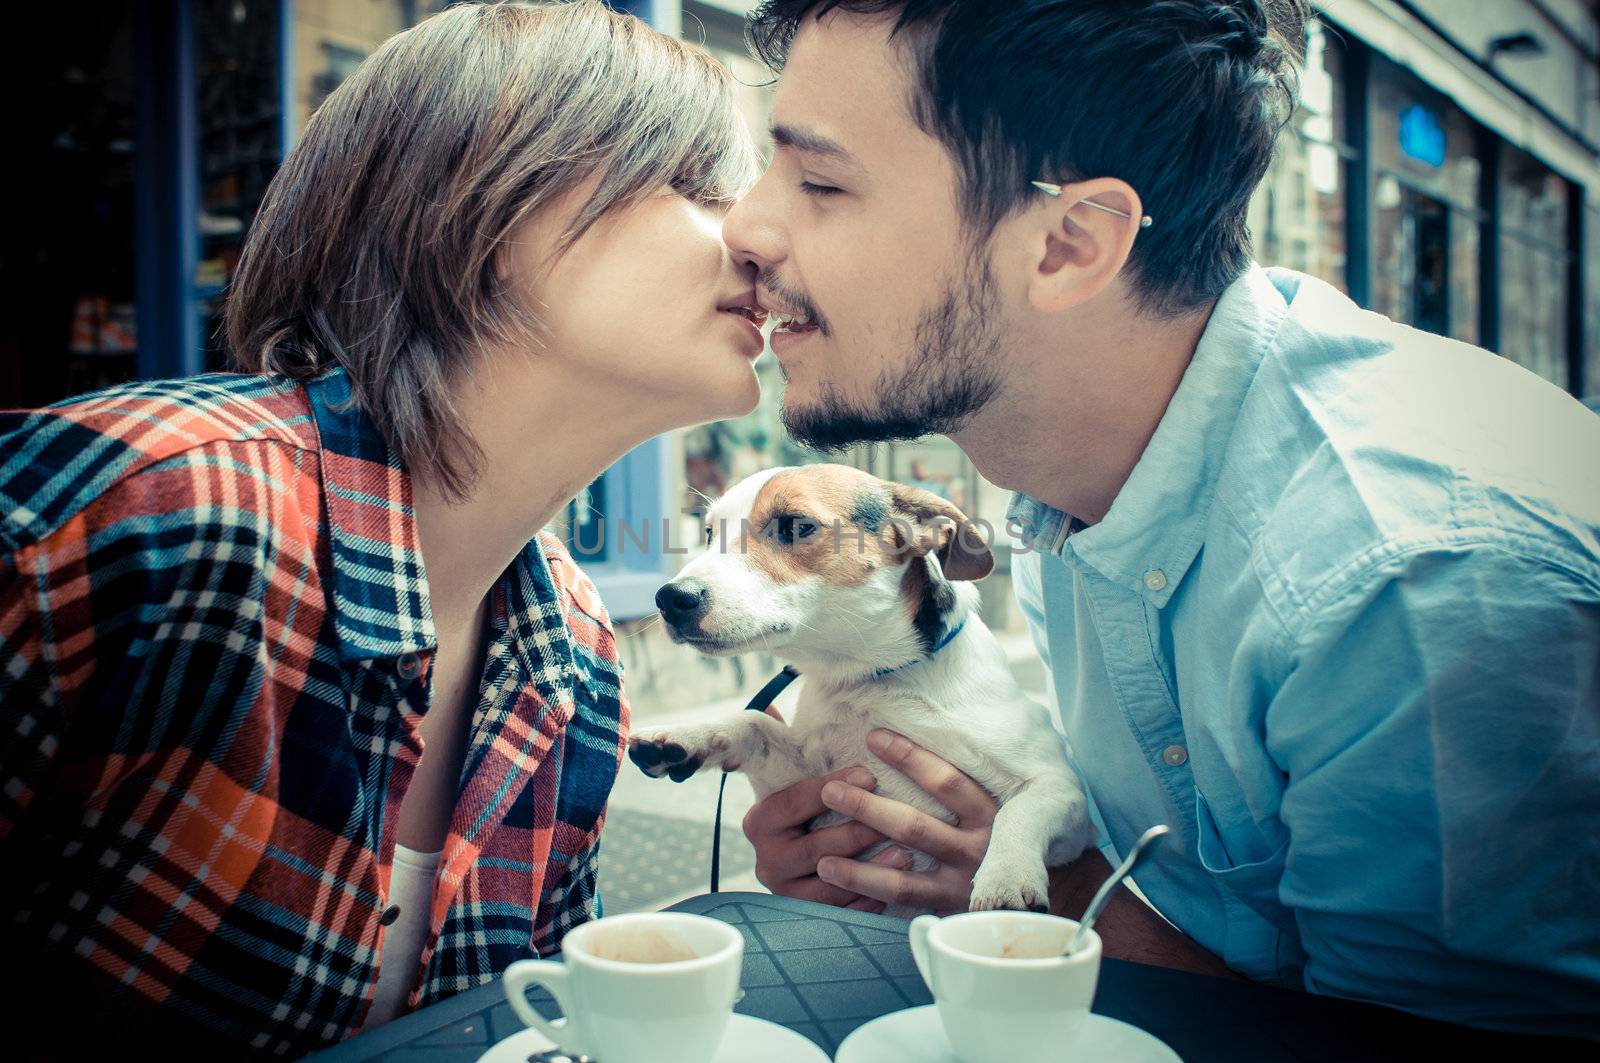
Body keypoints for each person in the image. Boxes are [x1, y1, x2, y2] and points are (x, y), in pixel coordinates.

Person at [725, 0, 1600, 1037]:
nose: (745, 227)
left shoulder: (1412, 581)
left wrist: (1045, 902)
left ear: (1067, 245)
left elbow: (1407, 1044)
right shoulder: (1070, 471)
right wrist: (951, 856)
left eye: (820, 182)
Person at [0, 2, 765, 1054]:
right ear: (483, 202)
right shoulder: (137, 506)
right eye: (697, 186)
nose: (761, 235)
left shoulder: (573, 652)